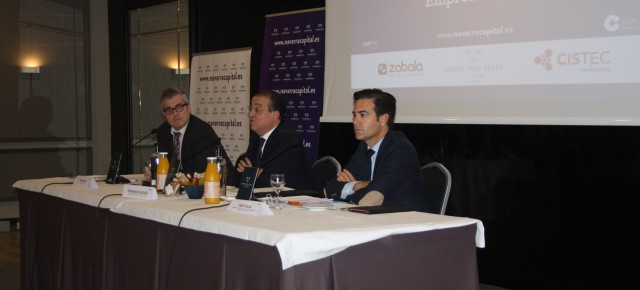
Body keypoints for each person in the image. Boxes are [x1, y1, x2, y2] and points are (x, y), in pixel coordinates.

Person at [325, 88, 427, 211]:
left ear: (383, 119)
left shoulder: (400, 149)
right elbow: (330, 189)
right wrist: (358, 185)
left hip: (408, 223)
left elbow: (370, 199)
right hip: (376, 220)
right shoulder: (364, 147)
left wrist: (350, 189)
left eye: (363, 115)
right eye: (354, 115)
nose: (355, 121)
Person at [233, 90, 316, 191]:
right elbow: (239, 177)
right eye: (251, 109)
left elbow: (270, 181)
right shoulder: (256, 137)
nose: (251, 114)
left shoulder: (288, 138)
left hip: (298, 199)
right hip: (268, 199)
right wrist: (253, 174)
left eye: (257, 109)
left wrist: (251, 174)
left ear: (274, 115)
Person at [150, 88, 233, 183]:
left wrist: (169, 179)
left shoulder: (202, 131)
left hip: (216, 186)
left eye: (179, 107)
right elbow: (164, 165)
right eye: (169, 110)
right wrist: (154, 173)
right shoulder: (163, 131)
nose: (175, 113)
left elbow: (198, 172)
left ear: (189, 107)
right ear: (164, 114)